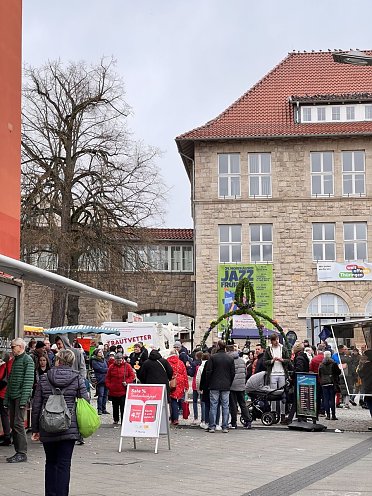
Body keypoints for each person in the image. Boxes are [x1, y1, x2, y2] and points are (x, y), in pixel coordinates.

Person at [31, 349, 89, 496]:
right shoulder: (76, 378)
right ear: (71, 362)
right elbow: (85, 400)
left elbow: (36, 405)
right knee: (64, 464)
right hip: (68, 426)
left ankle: (50, 494)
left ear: (57, 361)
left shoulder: (44, 378)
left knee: (50, 462)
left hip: (47, 425)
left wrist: (35, 429)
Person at [4, 338, 35, 462]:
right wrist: (6, 399)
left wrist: (23, 401)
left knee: (18, 424)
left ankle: (22, 452)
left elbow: (28, 382)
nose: (11, 349)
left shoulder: (27, 360)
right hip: (13, 396)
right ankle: (19, 452)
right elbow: (10, 382)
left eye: (13, 347)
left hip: (19, 397)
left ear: (20, 346)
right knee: (14, 424)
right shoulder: (16, 360)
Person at [205, 340, 235, 433]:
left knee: (213, 405)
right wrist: (229, 382)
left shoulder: (213, 358)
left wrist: (209, 382)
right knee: (225, 406)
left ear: (218, 346)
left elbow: (208, 371)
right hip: (226, 384)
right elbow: (233, 373)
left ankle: (212, 426)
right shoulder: (230, 358)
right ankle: (225, 426)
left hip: (214, 384)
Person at [263, 333, 291, 424]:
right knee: (273, 394)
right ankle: (273, 412)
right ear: (271, 341)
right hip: (273, 374)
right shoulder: (268, 349)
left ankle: (283, 414)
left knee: (282, 394)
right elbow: (265, 361)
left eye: (277, 340)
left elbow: (288, 359)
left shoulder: (283, 348)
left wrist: (282, 360)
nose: (276, 342)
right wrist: (272, 360)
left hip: (282, 373)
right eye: (274, 340)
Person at [105, 353, 135, 424]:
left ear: (122, 359)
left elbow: (132, 376)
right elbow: (107, 377)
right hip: (114, 390)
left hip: (123, 390)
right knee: (115, 406)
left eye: (120, 360)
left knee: (123, 406)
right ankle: (116, 419)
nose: (119, 362)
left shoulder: (127, 366)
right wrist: (109, 386)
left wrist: (127, 382)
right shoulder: (111, 367)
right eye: (117, 360)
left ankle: (123, 420)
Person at [227, 345, 251, 429]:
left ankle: (234, 422)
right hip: (241, 385)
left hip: (232, 386)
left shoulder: (229, 360)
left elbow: (229, 373)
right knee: (243, 404)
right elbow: (245, 372)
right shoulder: (242, 360)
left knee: (233, 405)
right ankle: (248, 421)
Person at [166, 349, 189, 426]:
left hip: (171, 381)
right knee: (177, 399)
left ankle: (174, 418)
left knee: (172, 400)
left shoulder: (167, 362)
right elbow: (185, 374)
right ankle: (175, 418)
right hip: (180, 382)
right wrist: (186, 385)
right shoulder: (181, 362)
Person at [318, 350, 341, 420]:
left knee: (326, 399)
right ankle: (333, 415)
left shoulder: (321, 364)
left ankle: (327, 415)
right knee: (332, 399)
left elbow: (319, 373)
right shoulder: (333, 363)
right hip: (332, 382)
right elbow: (338, 372)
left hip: (324, 383)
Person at [0, 353, 13, 446]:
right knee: (7, 415)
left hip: (2, 393)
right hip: (10, 393)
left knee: (4, 415)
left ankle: (7, 436)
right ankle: (8, 435)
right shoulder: (15, 364)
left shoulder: (5, 365)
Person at [91, 348, 109, 415]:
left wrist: (106, 369)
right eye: (99, 352)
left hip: (106, 379)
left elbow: (105, 368)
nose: (101, 353)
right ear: (96, 353)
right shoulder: (94, 361)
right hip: (100, 380)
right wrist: (107, 369)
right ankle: (99, 409)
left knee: (105, 395)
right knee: (100, 395)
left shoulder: (104, 360)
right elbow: (99, 369)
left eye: (101, 352)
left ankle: (104, 409)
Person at [357, 349, 372, 430]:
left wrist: (361, 365)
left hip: (369, 388)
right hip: (368, 387)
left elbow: (361, 374)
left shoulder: (366, 365)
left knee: (371, 405)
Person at [187, 350, 202, 424]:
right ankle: (203, 418)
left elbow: (191, 374)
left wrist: (188, 367)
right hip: (202, 384)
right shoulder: (203, 363)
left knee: (195, 401)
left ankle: (196, 417)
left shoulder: (194, 363)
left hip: (195, 383)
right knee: (203, 402)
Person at [196, 352, 210, 429]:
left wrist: (199, 389)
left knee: (203, 405)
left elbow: (198, 380)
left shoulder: (200, 367)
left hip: (203, 388)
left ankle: (203, 420)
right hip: (210, 388)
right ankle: (210, 421)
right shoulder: (211, 365)